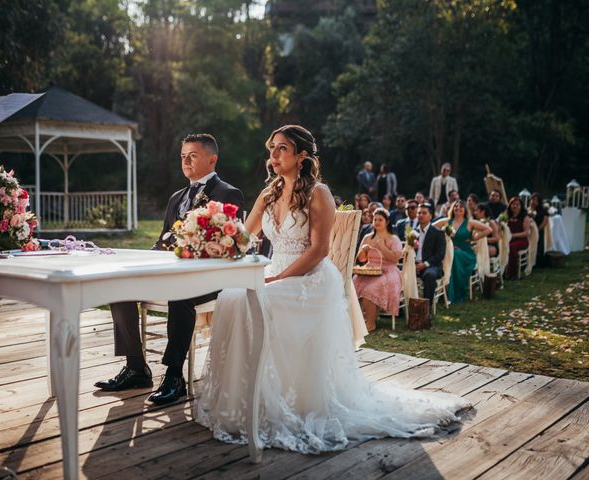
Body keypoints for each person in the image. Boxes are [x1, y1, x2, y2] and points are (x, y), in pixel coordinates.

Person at [196, 125, 469, 453]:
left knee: (252, 302)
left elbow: (318, 251)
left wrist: (275, 279)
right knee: (230, 298)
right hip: (274, 273)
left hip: (309, 278)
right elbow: (244, 234)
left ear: (301, 157)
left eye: (281, 148)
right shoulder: (268, 193)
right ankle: (245, 403)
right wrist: (212, 234)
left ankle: (284, 402)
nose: (273, 155)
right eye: (271, 149)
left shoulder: (318, 193)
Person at [94, 133, 245, 406]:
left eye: (193, 156)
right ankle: (136, 368)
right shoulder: (176, 197)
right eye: (183, 156)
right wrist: (146, 262)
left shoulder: (228, 194)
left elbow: (228, 247)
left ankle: (175, 376)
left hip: (209, 279)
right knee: (118, 287)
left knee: (181, 294)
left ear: (212, 159)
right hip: (170, 274)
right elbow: (164, 240)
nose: (186, 161)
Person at [353, 208, 403, 331]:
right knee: (352, 285)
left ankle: (370, 323)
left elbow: (395, 259)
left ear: (387, 222)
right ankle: (355, 320)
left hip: (388, 271)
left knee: (370, 289)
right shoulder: (368, 237)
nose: (377, 222)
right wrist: (363, 250)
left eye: (380, 220)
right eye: (375, 219)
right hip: (370, 269)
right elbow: (362, 259)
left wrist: (383, 247)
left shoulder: (393, 239)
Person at [434, 200, 492, 304]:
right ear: (453, 209)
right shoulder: (447, 221)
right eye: (456, 206)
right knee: (451, 255)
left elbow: (488, 229)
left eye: (461, 207)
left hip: (465, 253)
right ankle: (445, 292)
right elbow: (431, 227)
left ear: (465, 209)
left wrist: (475, 238)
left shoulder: (470, 222)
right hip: (448, 252)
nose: (458, 208)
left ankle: (452, 294)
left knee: (455, 255)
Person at [415, 203, 446, 317]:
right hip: (413, 264)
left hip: (432, 265)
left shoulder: (438, 233)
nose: (420, 215)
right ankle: (402, 307)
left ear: (430, 216)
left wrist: (425, 264)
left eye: (424, 213)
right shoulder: (412, 232)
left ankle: (426, 310)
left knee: (429, 275)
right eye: (419, 213)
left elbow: (440, 255)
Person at [505, 196, 530, 279]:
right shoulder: (507, 216)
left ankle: (512, 274)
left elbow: (526, 233)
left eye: (517, 204)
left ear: (521, 206)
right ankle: (501, 270)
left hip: (522, 240)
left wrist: (513, 235)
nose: (515, 206)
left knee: (512, 247)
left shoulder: (525, 217)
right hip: (509, 239)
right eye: (513, 204)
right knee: (502, 245)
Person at [528, 193, 549, 267]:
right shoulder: (527, 210)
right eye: (533, 199)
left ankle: (539, 263)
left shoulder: (543, 210)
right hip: (529, 231)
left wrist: (537, 229)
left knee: (539, 246)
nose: (534, 202)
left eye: (536, 200)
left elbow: (545, 221)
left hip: (539, 230)